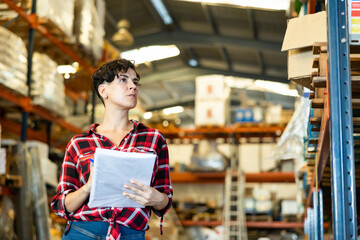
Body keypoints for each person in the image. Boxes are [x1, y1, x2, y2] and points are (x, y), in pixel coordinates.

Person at [51, 59, 173, 240]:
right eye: (123, 80)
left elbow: (165, 199)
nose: (133, 87)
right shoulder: (79, 144)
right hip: (82, 233)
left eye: (135, 82)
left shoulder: (153, 139)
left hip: (130, 234)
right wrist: (88, 188)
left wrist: (155, 198)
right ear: (103, 90)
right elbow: (61, 205)